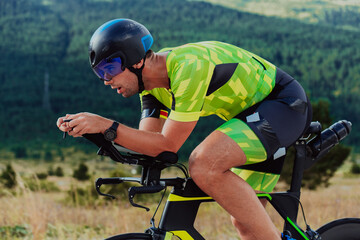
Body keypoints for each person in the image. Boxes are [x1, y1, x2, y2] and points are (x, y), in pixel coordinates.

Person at [57, 18, 311, 240]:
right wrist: (96, 132)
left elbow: (168, 145)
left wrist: (106, 124)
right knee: (246, 225)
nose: (105, 80)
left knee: (204, 163)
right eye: (99, 73)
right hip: (255, 117)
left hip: (283, 106)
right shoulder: (152, 86)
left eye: (109, 69)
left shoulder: (187, 69)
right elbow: (151, 145)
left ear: (135, 60)